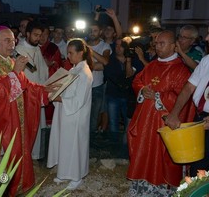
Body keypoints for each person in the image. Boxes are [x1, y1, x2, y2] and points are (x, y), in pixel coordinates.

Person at [0, 26, 54, 196]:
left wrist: (47, 91)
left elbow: (26, 86)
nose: (12, 44)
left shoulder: (8, 61)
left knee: (16, 157)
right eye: (7, 40)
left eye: (14, 40)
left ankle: (16, 187)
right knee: (0, 162)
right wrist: (15, 72)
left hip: (15, 121)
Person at [127, 30, 196, 196]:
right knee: (143, 151)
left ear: (174, 46)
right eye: (156, 43)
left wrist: (158, 95)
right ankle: (142, 186)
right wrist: (143, 90)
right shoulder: (152, 64)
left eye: (161, 43)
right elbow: (138, 80)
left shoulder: (181, 70)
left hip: (163, 123)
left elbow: (184, 97)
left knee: (162, 156)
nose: (157, 46)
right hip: (145, 123)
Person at [47, 38, 93, 190]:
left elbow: (79, 100)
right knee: (65, 143)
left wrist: (60, 98)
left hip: (76, 115)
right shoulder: (74, 69)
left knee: (75, 145)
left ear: (81, 53)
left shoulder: (85, 73)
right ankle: (64, 172)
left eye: (71, 53)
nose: (68, 56)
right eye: (67, 53)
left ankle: (76, 176)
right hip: (66, 113)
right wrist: (56, 90)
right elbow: (68, 90)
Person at [166, 52, 209, 177]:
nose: (206, 38)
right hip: (201, 117)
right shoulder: (207, 60)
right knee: (197, 167)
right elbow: (189, 87)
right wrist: (174, 113)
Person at [16, 20, 49, 160]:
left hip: (37, 93)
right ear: (27, 34)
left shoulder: (37, 49)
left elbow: (42, 70)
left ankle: (34, 155)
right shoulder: (18, 51)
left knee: (37, 125)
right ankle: (23, 156)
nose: (38, 38)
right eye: (35, 35)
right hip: (25, 95)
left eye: (40, 35)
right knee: (25, 127)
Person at [87, 20, 111, 133]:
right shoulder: (83, 44)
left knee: (95, 116)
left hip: (97, 86)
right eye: (91, 30)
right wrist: (96, 65)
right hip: (83, 86)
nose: (92, 33)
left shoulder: (105, 46)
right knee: (83, 115)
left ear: (100, 32)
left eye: (95, 31)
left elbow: (105, 62)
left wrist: (90, 51)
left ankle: (91, 144)